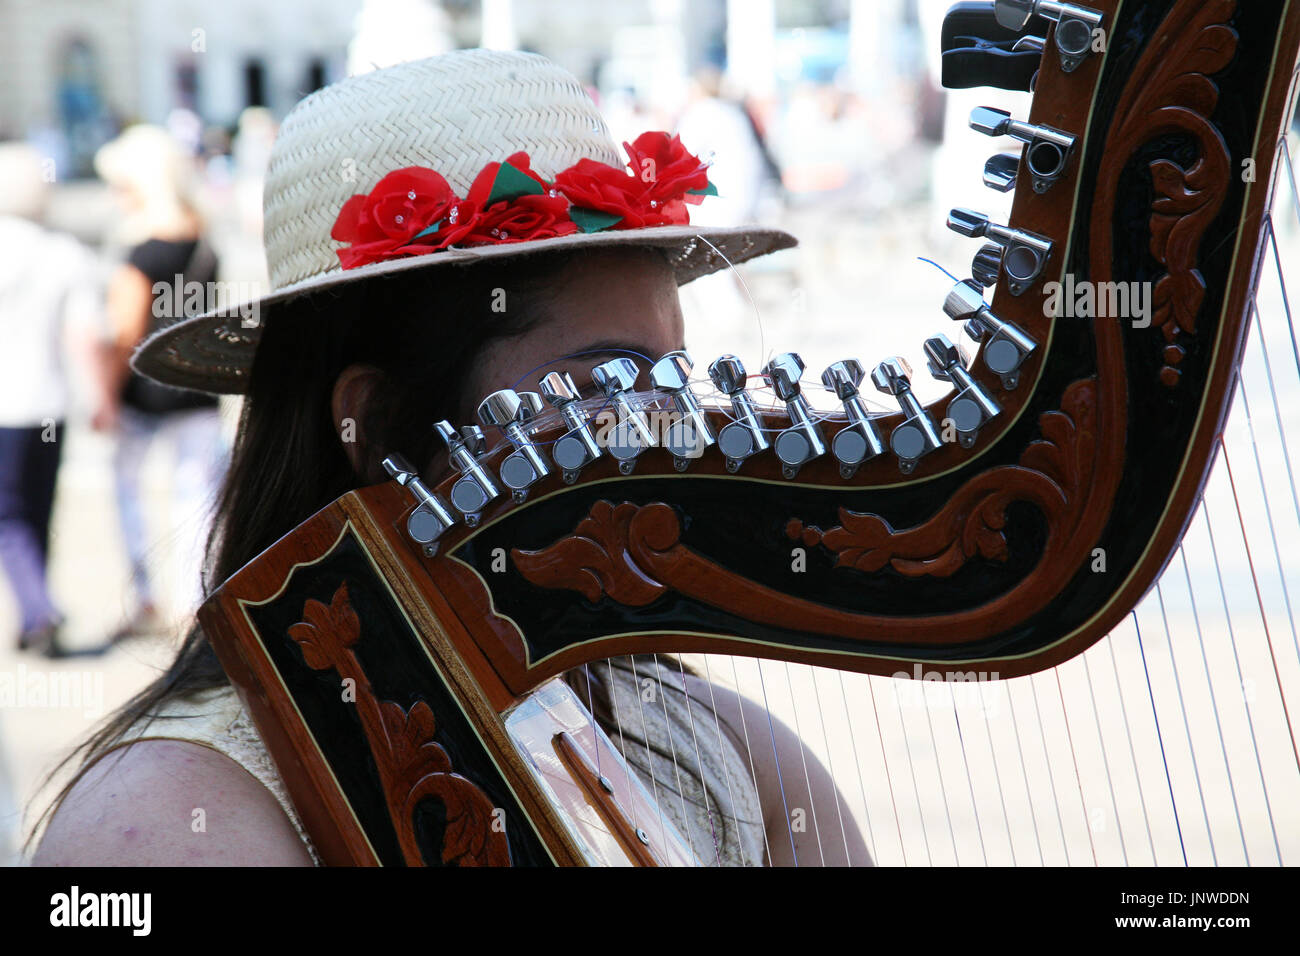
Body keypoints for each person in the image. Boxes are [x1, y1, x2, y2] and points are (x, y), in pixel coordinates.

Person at [30, 50, 869, 866]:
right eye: (610, 383)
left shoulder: (715, 746)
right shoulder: (171, 818)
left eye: (673, 379)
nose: (668, 428)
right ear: (380, 427)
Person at [91, 125, 227, 638]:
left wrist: (102, 394)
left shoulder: (142, 251)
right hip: (197, 380)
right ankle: (191, 605)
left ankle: (147, 597)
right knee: (195, 500)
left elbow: (124, 331)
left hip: (144, 390)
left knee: (129, 491)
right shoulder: (202, 235)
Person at [0, 143, 103, 655]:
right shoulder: (63, 252)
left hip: (5, 407)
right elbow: (83, 334)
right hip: (48, 404)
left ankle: (37, 610)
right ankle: (35, 611)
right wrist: (99, 395)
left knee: (7, 514)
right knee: (38, 508)